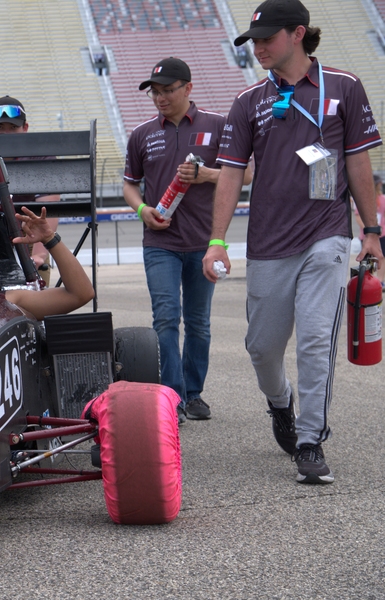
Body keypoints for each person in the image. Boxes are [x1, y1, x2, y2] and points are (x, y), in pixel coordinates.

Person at [203, 0, 384, 484]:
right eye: (254, 41)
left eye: (267, 38)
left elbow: (358, 162)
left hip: (327, 234)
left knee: (315, 340)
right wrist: (217, 240)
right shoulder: (248, 101)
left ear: (298, 33)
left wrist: (371, 231)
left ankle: (310, 441)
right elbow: (230, 174)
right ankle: (280, 403)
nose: (258, 48)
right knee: (262, 348)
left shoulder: (344, 86)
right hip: (268, 242)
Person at [123, 57, 253, 424]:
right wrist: (142, 209)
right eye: (154, 93)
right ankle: (173, 396)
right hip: (159, 243)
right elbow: (129, 184)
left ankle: (194, 393)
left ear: (188, 88)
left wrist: (207, 174)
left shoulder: (218, 125)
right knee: (165, 318)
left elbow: (245, 174)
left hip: (204, 242)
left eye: (167, 90)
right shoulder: (142, 134)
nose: (160, 98)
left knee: (198, 323)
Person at [0, 95, 60, 285]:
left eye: (13, 127)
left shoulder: (41, 157)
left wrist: (39, 256)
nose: (6, 133)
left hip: (29, 238)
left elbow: (47, 210)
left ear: (25, 128)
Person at [352, 175, 385, 286]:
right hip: (367, 234)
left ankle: (380, 280)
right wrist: (369, 230)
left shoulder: (382, 199)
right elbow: (358, 217)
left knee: (382, 256)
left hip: (382, 233)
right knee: (367, 259)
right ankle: (368, 280)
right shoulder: (365, 199)